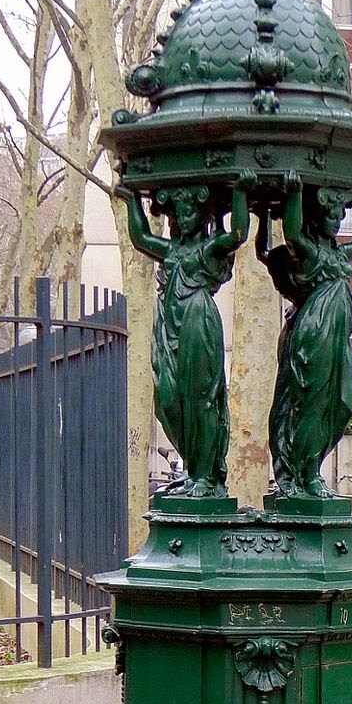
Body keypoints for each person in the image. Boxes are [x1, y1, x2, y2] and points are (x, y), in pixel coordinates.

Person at [120, 175, 253, 497]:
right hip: (168, 324)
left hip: (197, 321)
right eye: (178, 213)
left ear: (203, 214)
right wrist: (130, 200)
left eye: (190, 211)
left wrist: (240, 192)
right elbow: (140, 237)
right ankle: (192, 467)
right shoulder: (171, 251)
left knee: (201, 401)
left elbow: (237, 234)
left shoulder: (207, 250)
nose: (183, 218)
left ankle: (205, 476)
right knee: (167, 399)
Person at [263, 174, 352, 497]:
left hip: (337, 341)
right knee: (312, 403)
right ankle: (305, 473)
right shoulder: (309, 253)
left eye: (338, 217)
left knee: (341, 402)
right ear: (315, 217)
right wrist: (292, 194)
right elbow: (290, 232)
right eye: (329, 216)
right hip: (315, 335)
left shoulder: (337, 254)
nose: (335, 222)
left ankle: (311, 469)